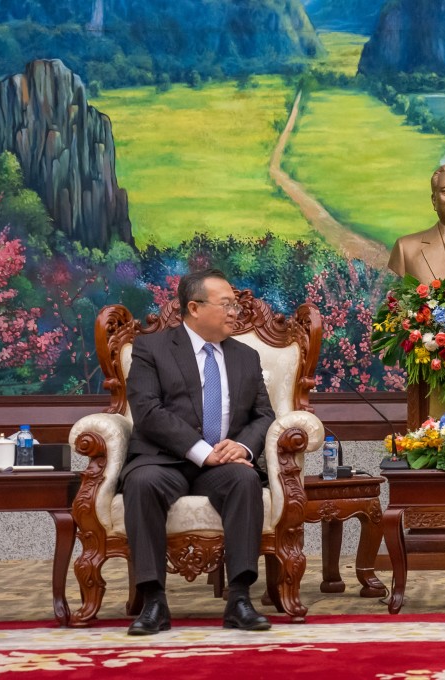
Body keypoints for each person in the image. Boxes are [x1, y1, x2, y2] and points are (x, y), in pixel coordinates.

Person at [121, 268, 275, 635]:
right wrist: (201, 450)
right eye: (227, 305)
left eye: (236, 305)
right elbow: (147, 411)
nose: (235, 312)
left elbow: (264, 415)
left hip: (223, 464)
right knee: (142, 483)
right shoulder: (151, 348)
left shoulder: (246, 356)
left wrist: (242, 446)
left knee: (245, 481)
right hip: (163, 458)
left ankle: (239, 599)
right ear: (194, 307)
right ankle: (154, 601)